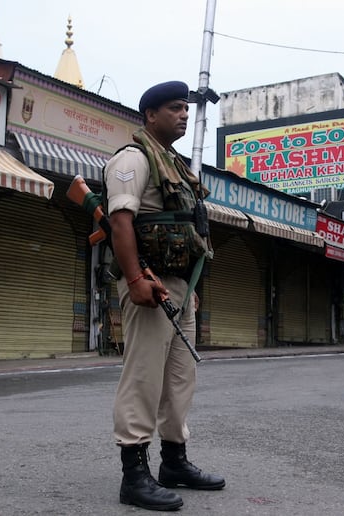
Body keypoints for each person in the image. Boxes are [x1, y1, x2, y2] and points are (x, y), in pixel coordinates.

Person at [103, 80, 225, 511]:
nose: (184, 115)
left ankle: (174, 461)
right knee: (144, 376)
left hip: (178, 287)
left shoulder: (174, 164)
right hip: (149, 285)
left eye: (186, 110)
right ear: (150, 114)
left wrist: (190, 290)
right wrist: (135, 280)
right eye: (175, 108)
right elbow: (120, 223)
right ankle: (134, 475)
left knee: (178, 381)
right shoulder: (133, 159)